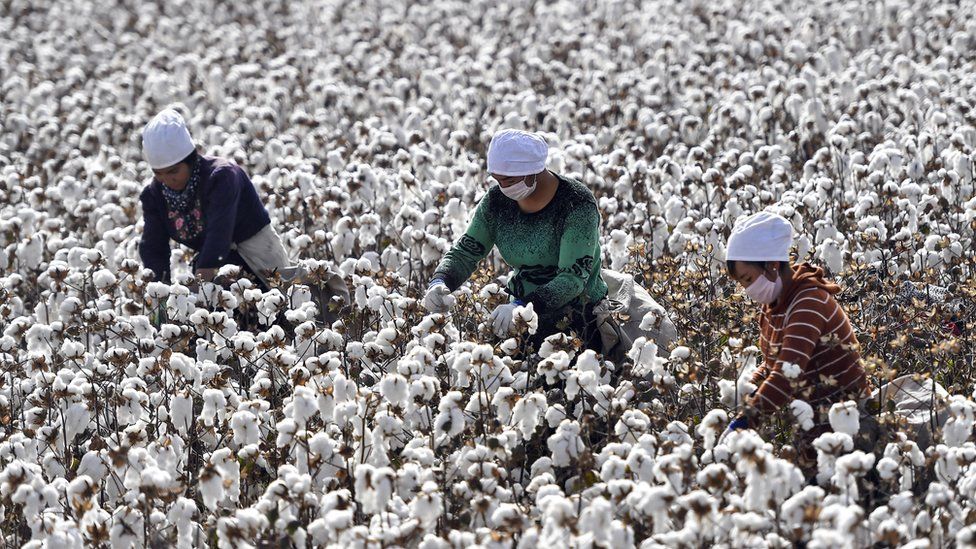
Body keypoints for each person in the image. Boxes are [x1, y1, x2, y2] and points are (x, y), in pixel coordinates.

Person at [423, 129, 608, 351]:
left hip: (578, 316)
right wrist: (441, 281)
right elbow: (466, 252)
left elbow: (572, 279)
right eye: (497, 180)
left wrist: (523, 306)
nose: (503, 187)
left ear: (534, 172)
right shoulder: (497, 202)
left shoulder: (576, 205)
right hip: (520, 310)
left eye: (509, 180)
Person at [724, 211, 867, 466]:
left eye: (748, 279)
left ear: (772, 265)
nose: (747, 290)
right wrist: (746, 390)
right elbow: (771, 367)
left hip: (847, 426)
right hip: (813, 423)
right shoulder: (775, 307)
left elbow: (786, 373)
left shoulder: (808, 302)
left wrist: (746, 420)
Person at [138, 108, 293, 290]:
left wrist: (198, 293)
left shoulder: (222, 177)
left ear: (191, 160)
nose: (166, 180)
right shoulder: (154, 194)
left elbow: (219, 234)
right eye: (158, 173)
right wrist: (160, 298)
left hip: (260, 257)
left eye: (173, 171)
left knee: (282, 307)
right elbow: (154, 248)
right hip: (214, 265)